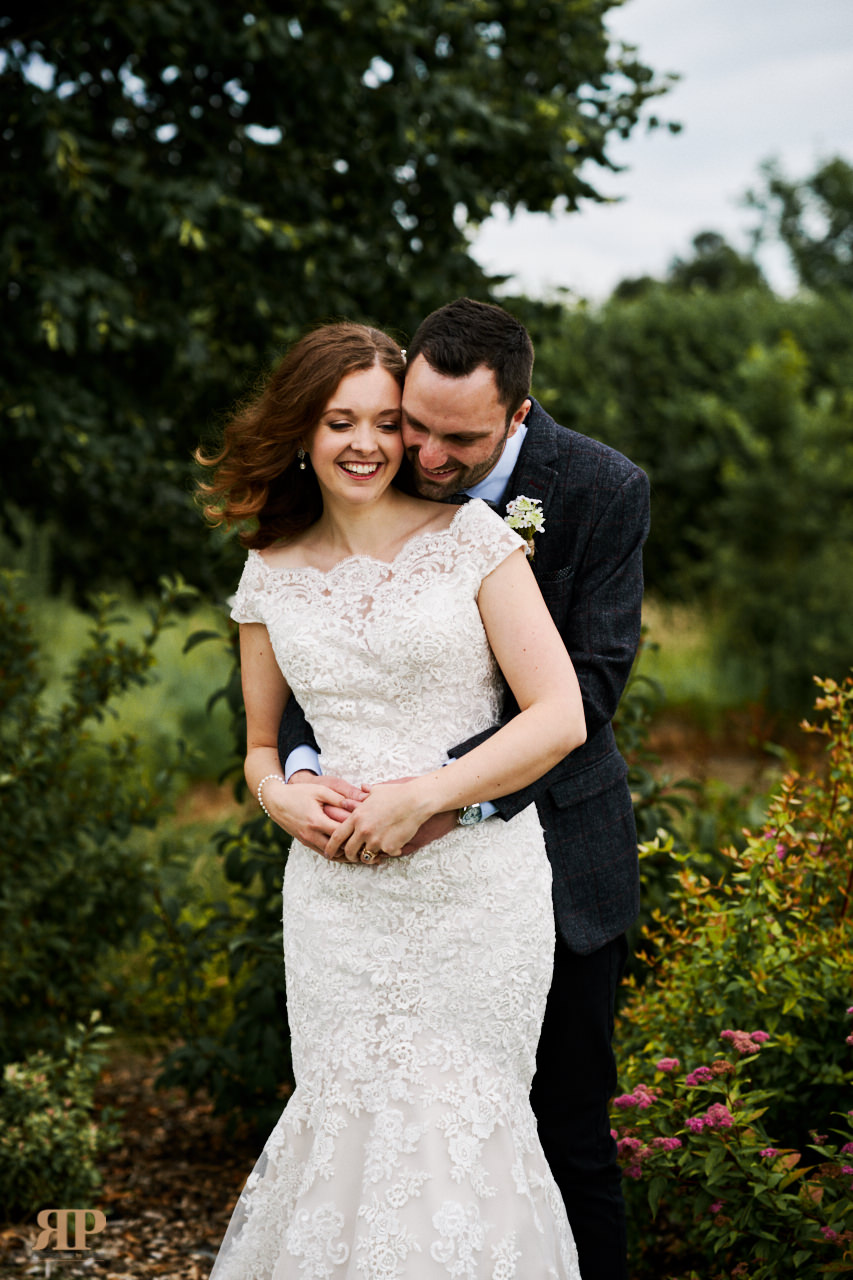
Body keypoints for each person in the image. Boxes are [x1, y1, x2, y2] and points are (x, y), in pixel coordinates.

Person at [197, 321, 587, 1279]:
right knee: (348, 1124)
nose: (367, 443)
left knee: (463, 1130)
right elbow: (259, 746)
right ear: (303, 430)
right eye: (340, 422)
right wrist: (280, 797)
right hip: (337, 903)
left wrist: (423, 798)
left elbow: (559, 716)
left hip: (474, 892)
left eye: (385, 421)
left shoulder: (473, 540)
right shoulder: (266, 570)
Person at [280, 298, 651, 1280]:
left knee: (564, 1135)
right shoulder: (380, 455)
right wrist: (298, 774)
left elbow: (588, 689)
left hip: (552, 857)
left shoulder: (602, 488)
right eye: (416, 426)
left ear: (517, 415)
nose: (427, 456)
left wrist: (438, 796)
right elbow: (326, 643)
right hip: (371, 878)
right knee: (385, 1138)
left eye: (461, 441)